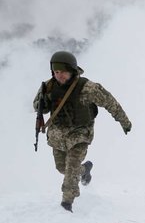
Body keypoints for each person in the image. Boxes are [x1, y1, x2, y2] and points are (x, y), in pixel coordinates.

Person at [33, 51, 132, 212]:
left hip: (80, 134)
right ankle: (85, 170)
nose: (59, 76)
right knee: (62, 168)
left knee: (71, 171)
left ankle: (66, 205)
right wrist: (43, 102)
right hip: (58, 135)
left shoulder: (88, 88)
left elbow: (110, 103)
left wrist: (124, 122)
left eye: (63, 72)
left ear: (72, 70)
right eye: (56, 72)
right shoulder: (48, 86)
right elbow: (38, 107)